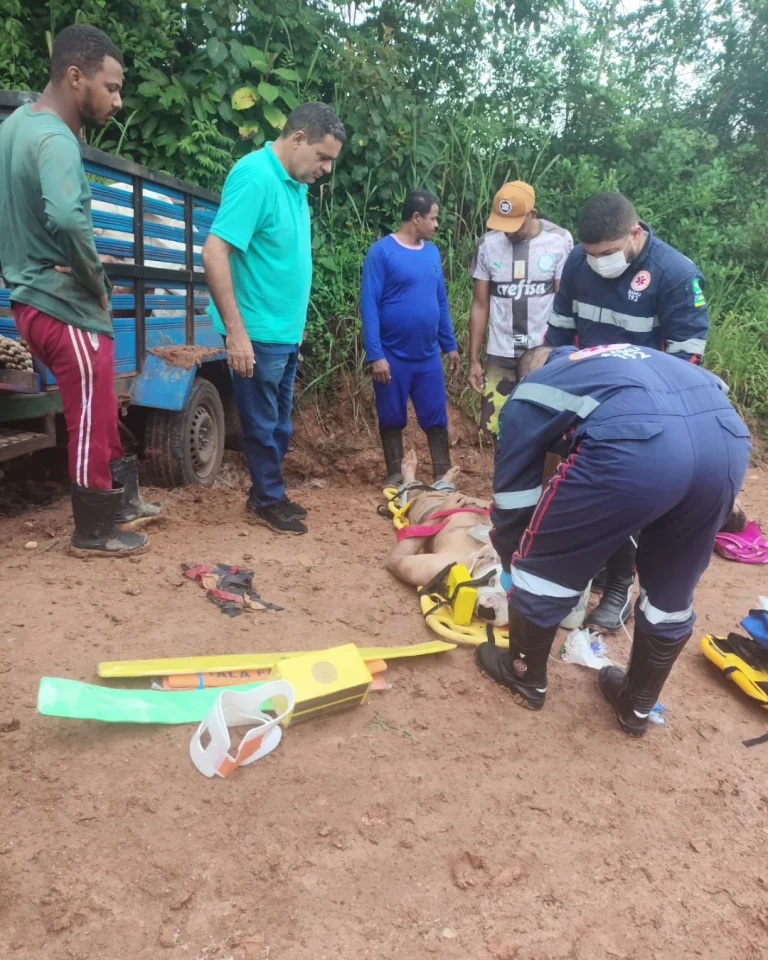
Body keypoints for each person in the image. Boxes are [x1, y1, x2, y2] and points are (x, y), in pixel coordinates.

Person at [475, 342, 750, 737]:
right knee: (673, 584)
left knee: (543, 563)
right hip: (725, 442)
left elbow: (514, 502)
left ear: (526, 375)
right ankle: (636, 705)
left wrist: (513, 564)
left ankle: (524, 675)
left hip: (639, 446)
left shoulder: (532, 390)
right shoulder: (613, 360)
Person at [0, 24, 160, 558]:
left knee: (99, 400)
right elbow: (68, 218)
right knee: (89, 412)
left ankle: (122, 501)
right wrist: (95, 279)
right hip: (62, 302)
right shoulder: (56, 140)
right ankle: (93, 529)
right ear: (75, 77)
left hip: (30, 298)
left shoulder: (17, 125)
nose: (116, 100)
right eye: (110, 87)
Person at [544, 192, 711, 632]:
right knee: (578, 486)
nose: (600, 262)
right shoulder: (578, 264)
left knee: (627, 491)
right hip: (585, 396)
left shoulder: (675, 275)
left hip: (645, 406)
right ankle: (594, 566)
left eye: (609, 253)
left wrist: (643, 407)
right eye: (592, 254)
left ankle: (620, 583)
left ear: (635, 233)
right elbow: (559, 334)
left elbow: (685, 360)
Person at [202, 103, 346, 535]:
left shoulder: (296, 186)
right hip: (258, 332)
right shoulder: (256, 175)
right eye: (323, 157)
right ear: (298, 138)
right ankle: (267, 497)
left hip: (284, 334)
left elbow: (285, 259)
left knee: (280, 424)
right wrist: (237, 334)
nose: (325, 168)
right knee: (263, 424)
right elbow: (215, 252)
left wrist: (297, 327)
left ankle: (268, 492)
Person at [361, 190, 460, 484]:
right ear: (415, 218)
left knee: (435, 416)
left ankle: (443, 474)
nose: (436, 224)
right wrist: (376, 355)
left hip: (428, 355)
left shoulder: (431, 252)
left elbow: (439, 301)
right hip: (392, 354)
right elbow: (369, 305)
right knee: (392, 416)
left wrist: (449, 344)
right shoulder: (381, 252)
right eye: (433, 218)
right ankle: (395, 475)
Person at [467, 180, 573, 440]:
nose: (507, 233)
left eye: (514, 225)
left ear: (532, 214)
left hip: (542, 356)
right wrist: (473, 360)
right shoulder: (487, 245)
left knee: (543, 429)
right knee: (495, 429)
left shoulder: (559, 241)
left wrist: (564, 352)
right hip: (500, 353)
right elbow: (481, 305)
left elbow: (564, 302)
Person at [384, 450, 509, 626]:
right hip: (476, 504)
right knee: (450, 492)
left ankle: (410, 478)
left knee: (419, 495)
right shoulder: (515, 556)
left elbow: (394, 560)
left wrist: (440, 514)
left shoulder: (448, 566)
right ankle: (445, 484)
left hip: (435, 510)